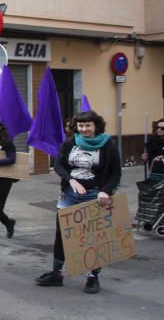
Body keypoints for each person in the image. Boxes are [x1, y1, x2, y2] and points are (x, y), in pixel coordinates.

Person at [36, 110, 121, 293]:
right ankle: (56, 273)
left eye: (88, 125)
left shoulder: (108, 145)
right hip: (69, 195)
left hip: (95, 194)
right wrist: (70, 180)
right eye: (81, 125)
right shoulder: (70, 142)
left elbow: (116, 173)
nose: (84, 129)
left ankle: (93, 276)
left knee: (93, 236)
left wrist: (106, 191)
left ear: (96, 126)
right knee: (62, 234)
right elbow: (59, 165)